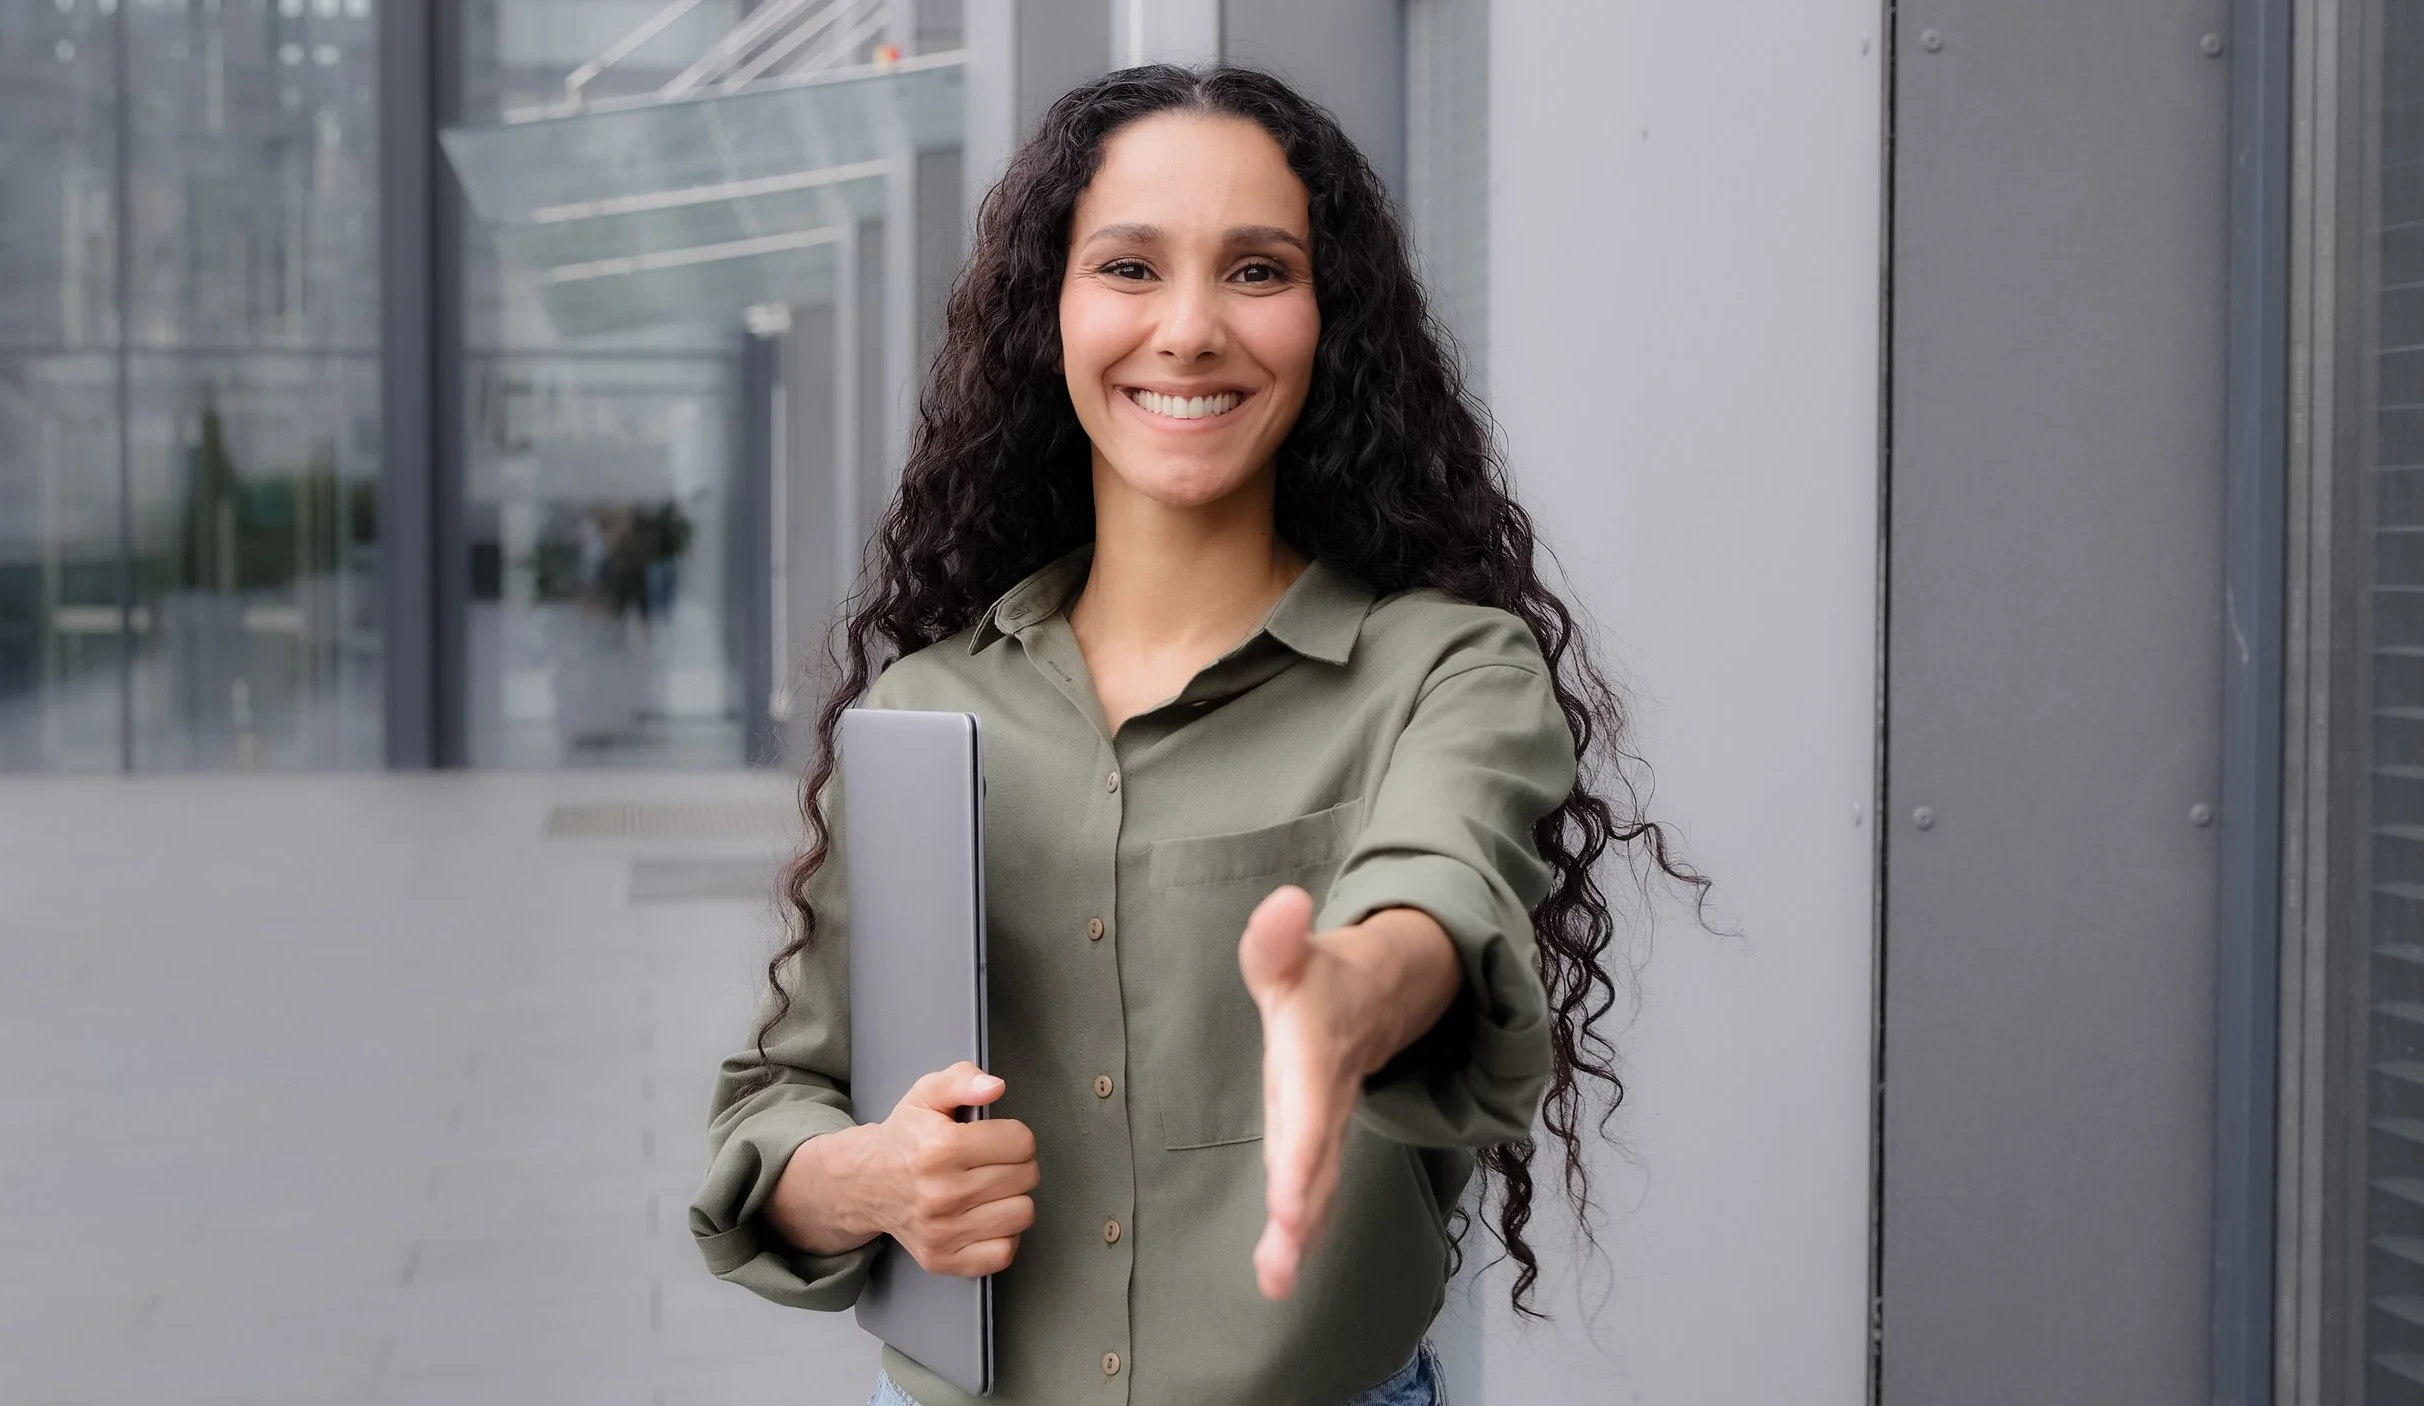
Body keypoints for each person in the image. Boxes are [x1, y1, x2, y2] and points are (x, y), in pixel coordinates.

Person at [691, 64, 1702, 1406]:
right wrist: (873, 1177)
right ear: (1049, 314)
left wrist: (1351, 994)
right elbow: (780, 1107)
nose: (1188, 329)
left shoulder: (1447, 671)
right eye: (1127, 266)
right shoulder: (927, 709)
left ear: (1329, 321)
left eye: (1258, 270)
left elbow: (1440, 879)